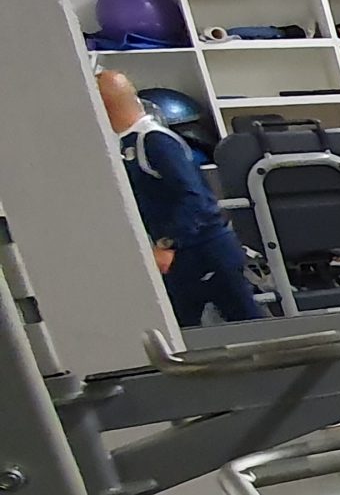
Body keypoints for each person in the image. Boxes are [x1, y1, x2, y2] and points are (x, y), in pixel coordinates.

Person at [97, 70, 266, 328]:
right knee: (182, 328)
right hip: (182, 256)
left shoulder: (154, 141)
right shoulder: (128, 143)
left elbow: (194, 197)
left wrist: (168, 243)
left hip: (203, 250)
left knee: (248, 325)